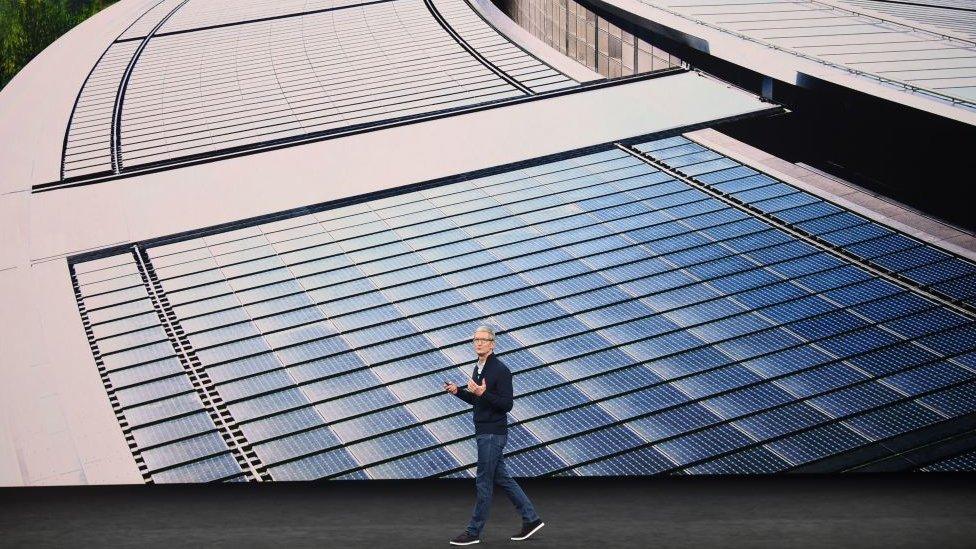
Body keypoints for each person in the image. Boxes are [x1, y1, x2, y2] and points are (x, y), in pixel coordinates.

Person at [443, 325, 545, 546]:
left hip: (492, 433)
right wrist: (458, 392)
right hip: (484, 431)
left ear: (493, 344)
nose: (478, 342)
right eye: (475, 339)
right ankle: (531, 519)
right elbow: (478, 400)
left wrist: (483, 393)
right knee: (502, 478)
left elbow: (506, 404)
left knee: (483, 481)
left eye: (483, 339)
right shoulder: (478, 369)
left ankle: (473, 532)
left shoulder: (500, 370)